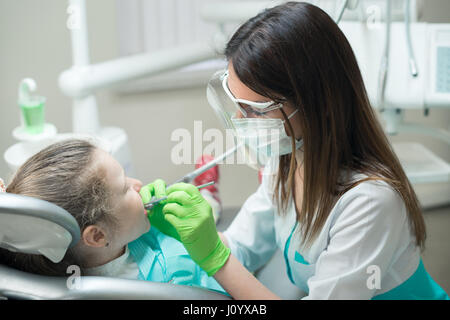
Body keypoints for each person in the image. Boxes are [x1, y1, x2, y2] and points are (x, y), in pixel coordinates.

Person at [149, 2, 449, 299]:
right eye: (237, 107)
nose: (240, 122)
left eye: (254, 110)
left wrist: (214, 256)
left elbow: (223, 259)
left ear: (318, 105)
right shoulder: (287, 162)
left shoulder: (371, 202)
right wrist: (185, 237)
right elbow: (242, 247)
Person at [0, 139, 225, 295]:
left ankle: (208, 197)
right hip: (225, 271)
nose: (138, 184)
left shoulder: (118, 235)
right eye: (125, 187)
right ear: (97, 235)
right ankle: (209, 198)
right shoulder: (174, 282)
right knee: (210, 216)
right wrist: (213, 247)